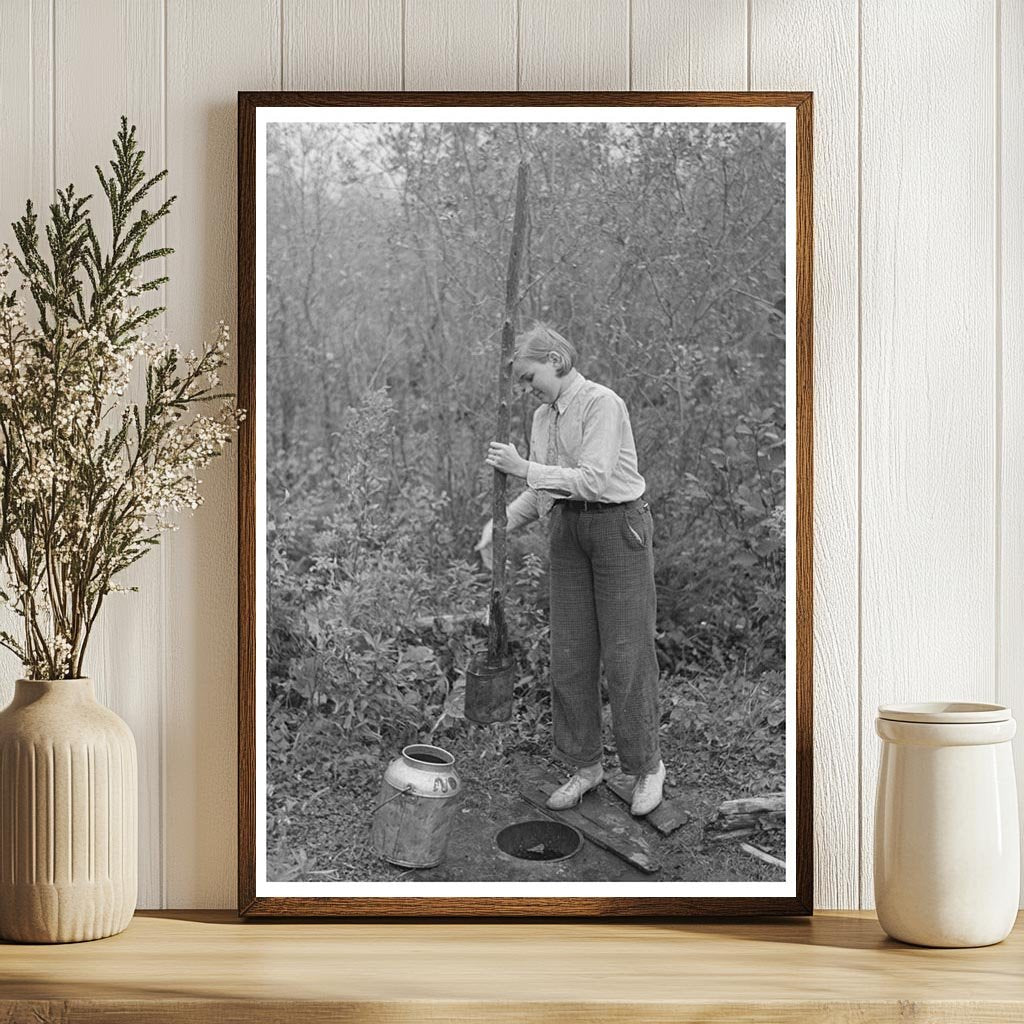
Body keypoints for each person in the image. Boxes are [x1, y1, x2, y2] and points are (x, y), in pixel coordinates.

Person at [477, 323, 665, 816]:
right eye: (520, 381)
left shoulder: (603, 403)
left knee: (628, 655)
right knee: (571, 656)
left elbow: (594, 479)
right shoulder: (542, 417)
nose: (526, 388)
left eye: (529, 375)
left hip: (618, 528)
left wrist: (521, 468)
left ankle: (647, 767)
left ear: (556, 360)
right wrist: (501, 526)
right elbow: (544, 490)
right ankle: (585, 766)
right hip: (566, 532)